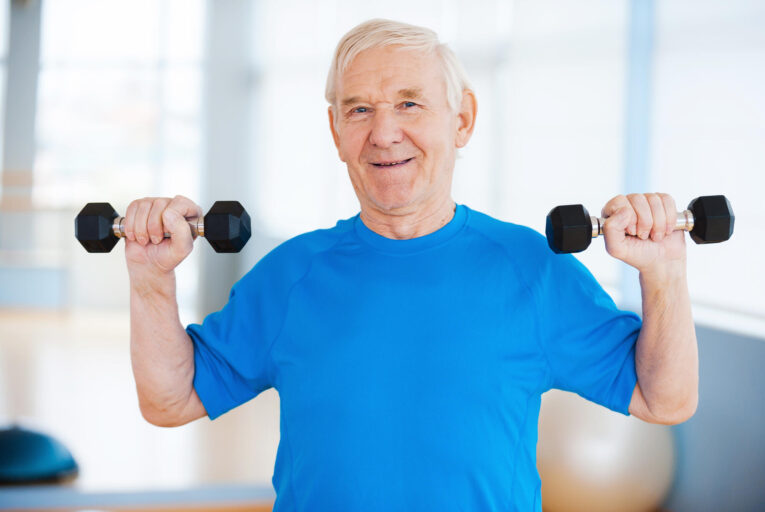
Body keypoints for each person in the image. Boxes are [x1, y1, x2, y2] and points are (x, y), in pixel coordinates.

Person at [125, 19, 698, 511]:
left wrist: (665, 273)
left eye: (409, 103)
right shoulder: (291, 275)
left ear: (462, 120)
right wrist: (152, 280)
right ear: (336, 132)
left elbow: (665, 398)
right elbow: (170, 400)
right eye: (359, 109)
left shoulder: (533, 269)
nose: (384, 133)